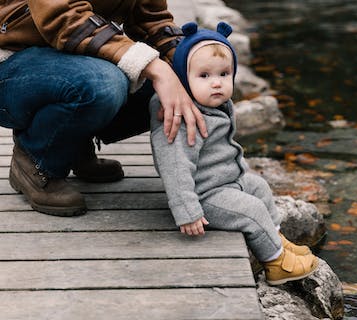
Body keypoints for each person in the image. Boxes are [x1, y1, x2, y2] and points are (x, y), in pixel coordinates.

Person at [0, 0, 207, 216]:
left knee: (193, 79)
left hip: (73, 56)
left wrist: (189, 62)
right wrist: (155, 68)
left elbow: (150, 19)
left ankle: (72, 146)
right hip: (12, 60)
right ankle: (37, 159)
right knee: (104, 85)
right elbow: (63, 18)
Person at [149, 21, 319, 285]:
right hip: (204, 195)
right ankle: (276, 263)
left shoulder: (218, 105)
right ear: (182, 79)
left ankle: (278, 241)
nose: (216, 83)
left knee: (260, 187)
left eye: (224, 74)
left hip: (227, 181)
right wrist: (187, 210)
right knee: (251, 210)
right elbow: (174, 166)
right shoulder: (180, 117)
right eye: (204, 76)